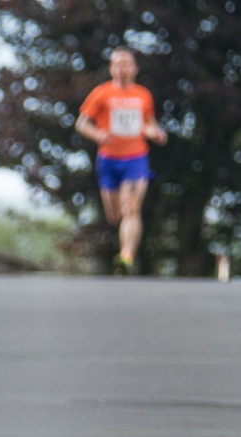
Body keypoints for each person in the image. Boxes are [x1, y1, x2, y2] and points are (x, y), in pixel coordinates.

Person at [76, 46, 167, 275]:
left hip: (136, 158)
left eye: (127, 64)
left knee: (131, 209)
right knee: (115, 214)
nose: (123, 68)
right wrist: (98, 135)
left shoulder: (143, 95)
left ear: (135, 68)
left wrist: (156, 133)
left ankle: (126, 256)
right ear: (111, 68)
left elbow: (149, 123)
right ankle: (124, 247)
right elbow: (81, 123)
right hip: (108, 160)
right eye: (118, 64)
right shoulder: (101, 94)